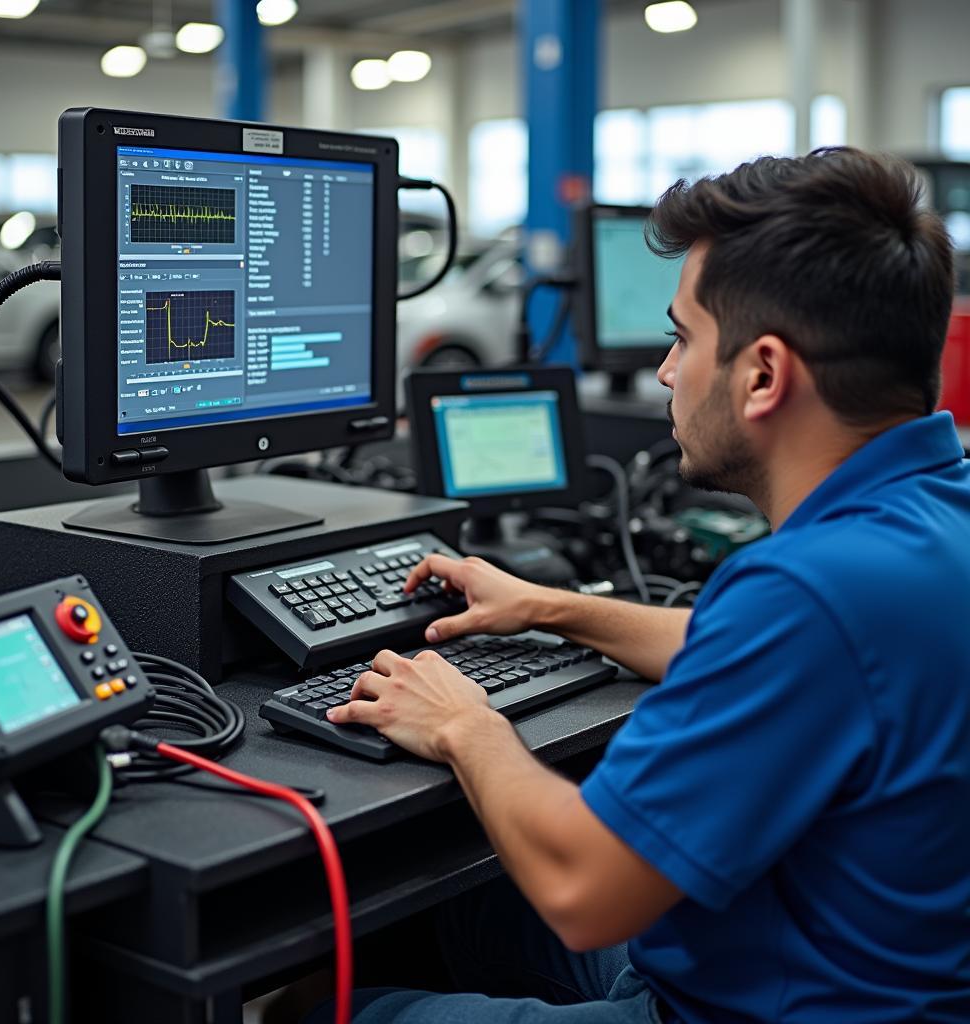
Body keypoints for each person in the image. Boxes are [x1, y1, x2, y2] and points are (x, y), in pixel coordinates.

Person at [318, 148, 970, 1022]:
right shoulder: (931, 513)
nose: (667, 371)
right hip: (811, 953)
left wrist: (464, 725)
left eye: (683, 337)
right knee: (453, 905)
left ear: (764, 374)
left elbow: (583, 892)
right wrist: (552, 606)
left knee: (316, 1001)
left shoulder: (807, 593)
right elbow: (770, 651)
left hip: (741, 1005)